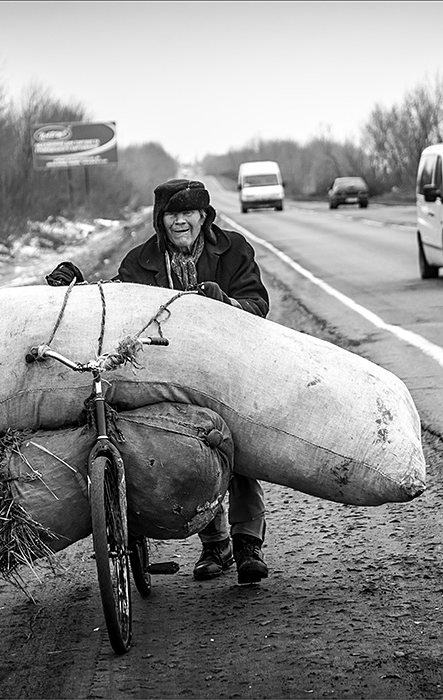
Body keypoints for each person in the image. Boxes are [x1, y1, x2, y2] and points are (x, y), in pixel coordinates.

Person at [45, 178, 270, 584]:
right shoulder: (141, 260)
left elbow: (258, 305)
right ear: (159, 220)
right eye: (172, 214)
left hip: (224, 366)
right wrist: (76, 283)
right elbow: (116, 299)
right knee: (187, 450)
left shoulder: (234, 249)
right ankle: (215, 542)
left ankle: (247, 542)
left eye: (188, 213)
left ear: (204, 216)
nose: (180, 221)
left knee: (238, 446)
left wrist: (227, 302)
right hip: (166, 373)